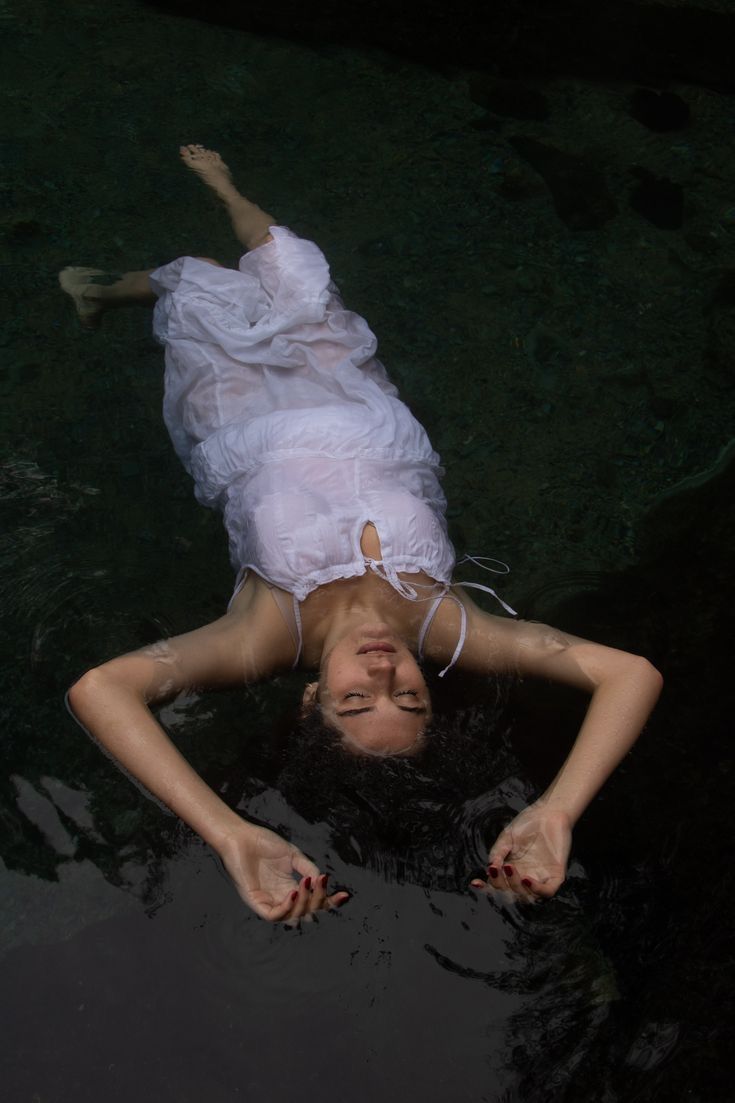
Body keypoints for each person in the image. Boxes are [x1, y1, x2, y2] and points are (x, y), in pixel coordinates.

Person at [62, 145, 663, 923]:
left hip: (243, 415)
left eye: (354, 699)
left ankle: (98, 290)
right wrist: (555, 812)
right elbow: (631, 674)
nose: (384, 674)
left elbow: (99, 690)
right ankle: (224, 183)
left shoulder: (260, 638)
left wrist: (230, 834)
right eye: (408, 700)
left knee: (197, 278)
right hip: (355, 396)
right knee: (287, 262)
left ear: (313, 697)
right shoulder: (448, 628)